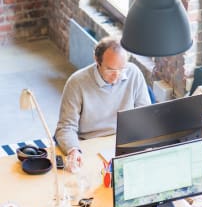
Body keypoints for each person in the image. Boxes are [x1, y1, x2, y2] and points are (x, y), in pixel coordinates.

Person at [55, 36, 151, 172]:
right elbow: (65, 127)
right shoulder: (77, 83)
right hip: (88, 145)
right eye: (110, 70)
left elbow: (145, 116)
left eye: (121, 69)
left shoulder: (133, 73)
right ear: (97, 61)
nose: (116, 76)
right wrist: (73, 150)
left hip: (123, 143)